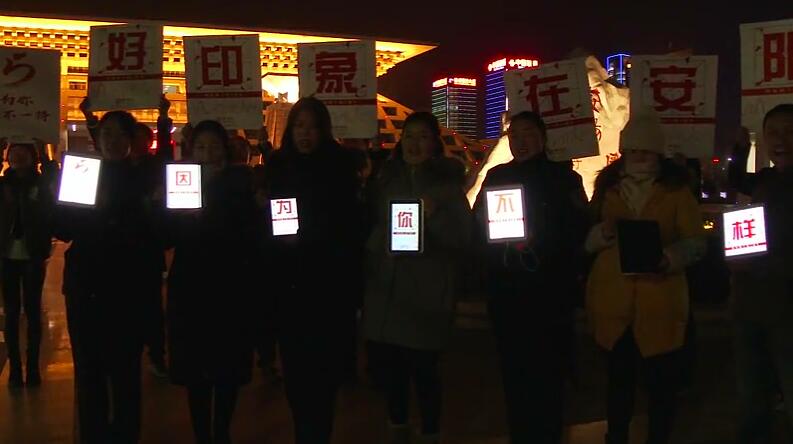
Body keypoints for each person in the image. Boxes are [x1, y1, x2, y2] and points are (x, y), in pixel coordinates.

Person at [585, 109, 706, 444]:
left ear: (658, 153)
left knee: (661, 387)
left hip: (660, 302)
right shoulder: (608, 188)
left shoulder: (676, 191)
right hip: (613, 303)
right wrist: (602, 233)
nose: (639, 157)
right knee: (617, 384)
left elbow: (696, 241)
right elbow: (585, 240)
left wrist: (669, 258)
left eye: (646, 151)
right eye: (633, 150)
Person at [473, 111, 589, 444]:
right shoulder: (497, 176)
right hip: (507, 291)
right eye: (514, 136)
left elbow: (579, 229)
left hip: (550, 293)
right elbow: (477, 222)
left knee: (550, 374)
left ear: (543, 137)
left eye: (527, 134)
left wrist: (540, 240)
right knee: (514, 373)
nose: (520, 141)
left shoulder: (564, 178)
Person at [363, 112, 471, 444]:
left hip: (426, 292)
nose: (414, 143)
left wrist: (434, 217)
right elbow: (373, 227)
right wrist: (380, 245)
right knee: (393, 374)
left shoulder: (448, 187)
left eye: (423, 136)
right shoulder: (386, 180)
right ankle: (397, 429)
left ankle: (430, 432)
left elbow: (464, 237)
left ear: (435, 143)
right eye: (408, 136)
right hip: (389, 291)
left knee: (424, 372)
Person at [55, 111, 162, 444]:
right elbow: (63, 229)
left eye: (120, 134)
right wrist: (69, 204)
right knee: (89, 370)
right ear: (97, 139)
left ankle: (126, 434)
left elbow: (158, 236)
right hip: (86, 287)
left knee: (126, 370)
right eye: (107, 134)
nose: (113, 141)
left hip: (130, 288)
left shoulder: (145, 178)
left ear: (132, 140)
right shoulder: (82, 173)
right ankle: (94, 434)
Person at [263, 97, 362, 444]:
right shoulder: (278, 166)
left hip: (328, 288)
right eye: (299, 126)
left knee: (324, 376)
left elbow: (351, 230)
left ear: (324, 130)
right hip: (288, 286)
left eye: (313, 127)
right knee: (295, 375)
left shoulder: (340, 167)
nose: (305, 133)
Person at [163, 120, 262, 444]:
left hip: (231, 287)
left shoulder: (241, 183)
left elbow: (252, 233)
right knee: (196, 370)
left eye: (214, 146)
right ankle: (203, 435)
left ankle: (221, 432)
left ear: (225, 149)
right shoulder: (180, 183)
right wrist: (168, 212)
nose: (207, 154)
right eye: (201, 147)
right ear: (192, 150)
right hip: (191, 287)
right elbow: (166, 237)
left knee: (228, 367)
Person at [730, 104, 793, 444]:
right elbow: (737, 182)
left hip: (786, 306)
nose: (781, 140)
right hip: (750, 304)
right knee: (751, 395)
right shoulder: (765, 180)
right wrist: (740, 151)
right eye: (773, 133)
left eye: (789, 131)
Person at [0, 140, 56, 387]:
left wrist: (45, 152)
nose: (17, 157)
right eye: (13, 153)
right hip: (6, 254)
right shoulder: (3, 185)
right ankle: (15, 367)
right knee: (12, 312)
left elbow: (53, 179)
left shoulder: (41, 184)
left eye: (23, 153)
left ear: (33, 158)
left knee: (33, 311)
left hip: (33, 253)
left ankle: (32, 367)